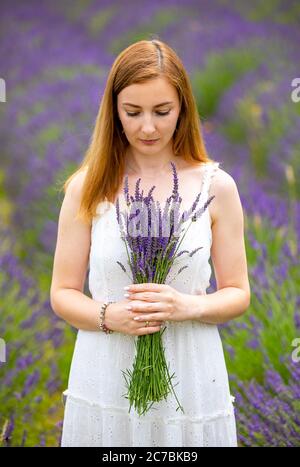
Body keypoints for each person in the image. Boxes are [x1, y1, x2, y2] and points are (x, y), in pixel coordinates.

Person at [50, 39, 250, 447]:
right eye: (132, 112)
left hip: (190, 372)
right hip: (106, 369)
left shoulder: (217, 188)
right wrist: (110, 316)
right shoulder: (87, 188)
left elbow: (239, 293)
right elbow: (62, 293)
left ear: (183, 109)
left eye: (162, 112)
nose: (147, 127)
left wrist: (188, 305)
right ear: (113, 111)